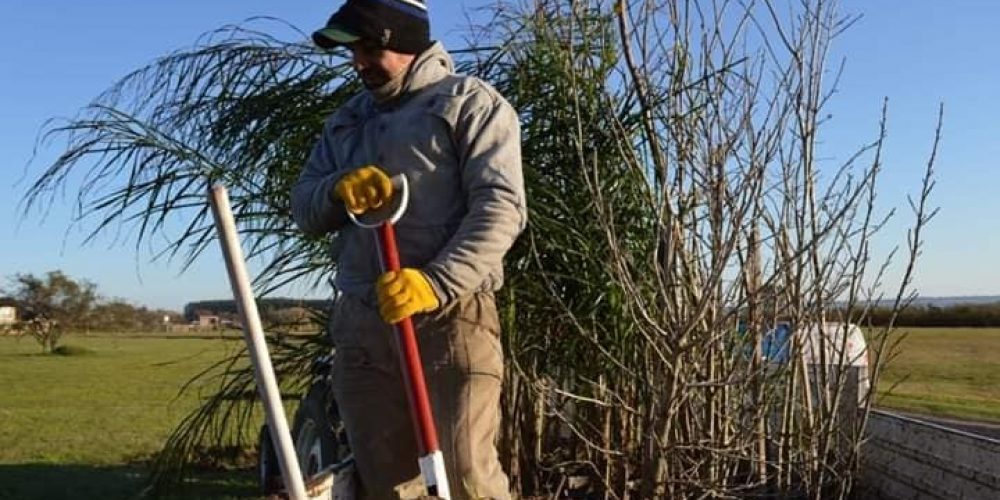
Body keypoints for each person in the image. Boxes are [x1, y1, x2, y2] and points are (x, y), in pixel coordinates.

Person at [290, 0, 526, 498]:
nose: (357, 63)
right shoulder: (345, 121)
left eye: (366, 49)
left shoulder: (472, 104)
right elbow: (304, 208)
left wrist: (434, 284)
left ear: (400, 39)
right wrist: (336, 189)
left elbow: (502, 209)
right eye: (351, 52)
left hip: (451, 319)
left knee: (466, 476)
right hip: (362, 324)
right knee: (387, 481)